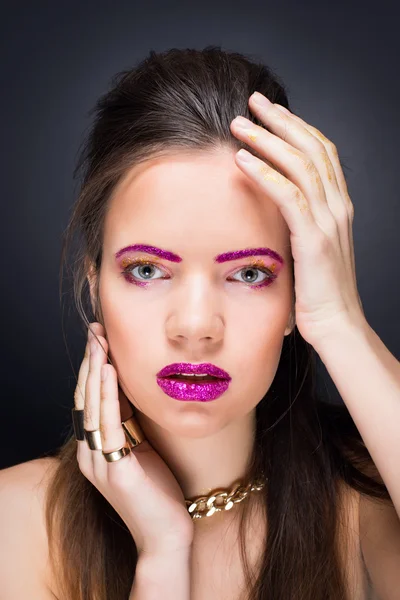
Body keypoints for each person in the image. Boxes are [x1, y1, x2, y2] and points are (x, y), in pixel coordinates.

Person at [1, 45, 400, 600]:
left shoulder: (370, 496)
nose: (195, 326)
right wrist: (163, 556)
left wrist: (340, 322)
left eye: (250, 274)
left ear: (298, 293)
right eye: (146, 269)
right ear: (94, 285)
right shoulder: (13, 524)